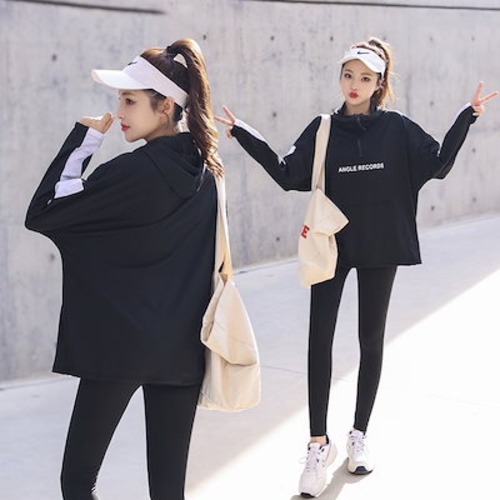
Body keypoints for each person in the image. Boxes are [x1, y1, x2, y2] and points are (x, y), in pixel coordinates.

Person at [216, 37, 498, 497]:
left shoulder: (397, 128)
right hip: (331, 246)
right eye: (349, 75)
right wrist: (245, 135)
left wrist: (467, 116)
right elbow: (288, 174)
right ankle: (317, 444)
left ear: (379, 83)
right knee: (319, 340)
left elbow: (438, 165)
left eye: (365, 77)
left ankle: (358, 436)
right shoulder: (324, 128)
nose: (354, 84)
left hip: (380, 245)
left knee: (371, 340)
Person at [25, 38, 223, 500]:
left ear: (166, 106)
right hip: (182, 349)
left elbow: (45, 211)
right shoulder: (209, 173)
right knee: (168, 490)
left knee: (78, 481)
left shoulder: (132, 173)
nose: (119, 112)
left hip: (118, 348)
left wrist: (85, 139)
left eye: (130, 100)